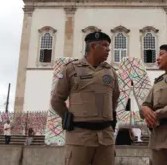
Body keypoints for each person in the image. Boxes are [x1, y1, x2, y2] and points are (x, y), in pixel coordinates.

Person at [51, 31, 120, 165]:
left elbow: (115, 98)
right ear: (93, 46)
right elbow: (56, 100)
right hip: (79, 137)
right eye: (105, 46)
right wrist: (68, 118)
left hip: (105, 138)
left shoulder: (110, 71)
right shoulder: (71, 69)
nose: (109, 49)